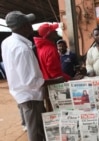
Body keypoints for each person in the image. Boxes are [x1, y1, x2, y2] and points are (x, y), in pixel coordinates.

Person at [1, 11, 64, 141]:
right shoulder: (22, 48)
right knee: (36, 132)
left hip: (22, 94)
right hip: (31, 97)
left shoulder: (7, 42)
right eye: (29, 23)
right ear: (24, 27)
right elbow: (31, 82)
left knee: (37, 129)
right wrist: (56, 81)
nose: (31, 26)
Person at [34, 23, 71, 111]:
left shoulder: (40, 48)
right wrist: (71, 78)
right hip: (54, 87)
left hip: (46, 86)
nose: (55, 31)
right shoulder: (51, 50)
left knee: (50, 110)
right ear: (49, 34)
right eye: (53, 30)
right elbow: (55, 74)